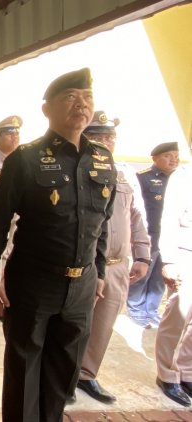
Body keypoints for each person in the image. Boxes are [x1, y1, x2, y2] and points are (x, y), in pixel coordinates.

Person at [0, 68, 116, 421]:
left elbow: (102, 223)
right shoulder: (25, 158)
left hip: (82, 286)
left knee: (62, 372)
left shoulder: (102, 159)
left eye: (86, 97)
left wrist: (99, 272)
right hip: (34, 282)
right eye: (70, 96)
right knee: (25, 367)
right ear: (47, 109)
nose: (81, 104)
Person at [74, 111, 150, 404]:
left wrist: (142, 255)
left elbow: (137, 215)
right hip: (85, 265)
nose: (105, 142)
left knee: (104, 325)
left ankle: (87, 375)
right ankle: (64, 376)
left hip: (118, 266)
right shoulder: (77, 171)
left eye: (110, 137)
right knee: (75, 325)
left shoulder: (124, 173)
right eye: (97, 137)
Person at [128, 141, 180, 328]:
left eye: (176, 155)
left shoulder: (179, 179)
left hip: (169, 235)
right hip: (148, 234)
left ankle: (151, 310)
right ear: (155, 158)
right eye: (168, 155)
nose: (173, 159)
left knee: (160, 275)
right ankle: (135, 309)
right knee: (143, 273)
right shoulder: (143, 178)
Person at [154, 161, 192, 406]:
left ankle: (187, 370)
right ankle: (167, 374)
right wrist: (168, 260)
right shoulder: (184, 175)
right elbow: (168, 219)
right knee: (177, 316)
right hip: (185, 253)